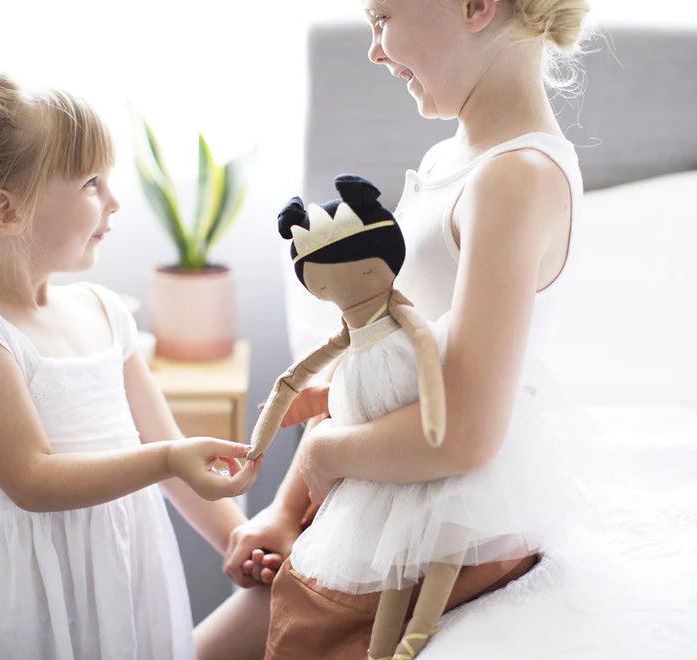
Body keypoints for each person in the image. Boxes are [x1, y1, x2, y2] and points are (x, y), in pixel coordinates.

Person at [200, 0, 592, 658]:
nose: (375, 50)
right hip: (381, 493)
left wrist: (324, 459)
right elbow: (376, 369)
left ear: (475, 7)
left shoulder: (513, 181)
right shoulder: (453, 161)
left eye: (382, 19)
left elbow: (464, 432)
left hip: (438, 520)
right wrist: (286, 508)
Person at [0, 67, 262, 660]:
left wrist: (237, 536)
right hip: (31, 596)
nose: (114, 201)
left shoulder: (107, 313)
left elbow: (170, 449)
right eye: (90, 183)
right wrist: (167, 460)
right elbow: (32, 479)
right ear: (6, 210)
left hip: (128, 573)